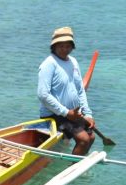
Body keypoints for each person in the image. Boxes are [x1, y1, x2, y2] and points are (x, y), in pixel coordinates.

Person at [37, 26, 96, 155]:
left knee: (91, 137)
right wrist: (66, 113)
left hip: (72, 115)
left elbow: (80, 90)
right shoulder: (49, 64)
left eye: (68, 46)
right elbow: (43, 95)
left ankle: (77, 161)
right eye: (61, 46)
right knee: (84, 139)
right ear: (54, 46)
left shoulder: (73, 62)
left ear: (72, 46)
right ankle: (71, 169)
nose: (64, 49)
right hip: (54, 114)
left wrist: (88, 114)